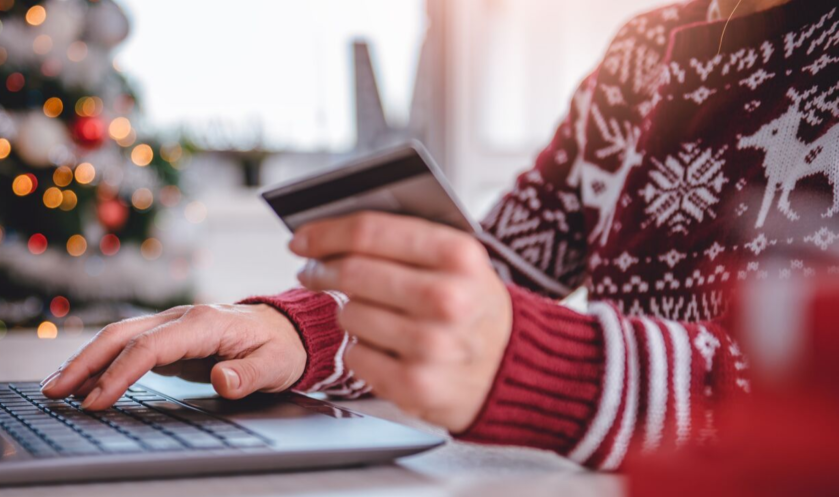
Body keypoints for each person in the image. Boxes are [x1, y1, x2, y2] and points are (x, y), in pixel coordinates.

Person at [42, 0, 837, 471]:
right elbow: (504, 270)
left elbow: (815, 404)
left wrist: (549, 367)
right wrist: (300, 328)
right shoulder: (641, 53)